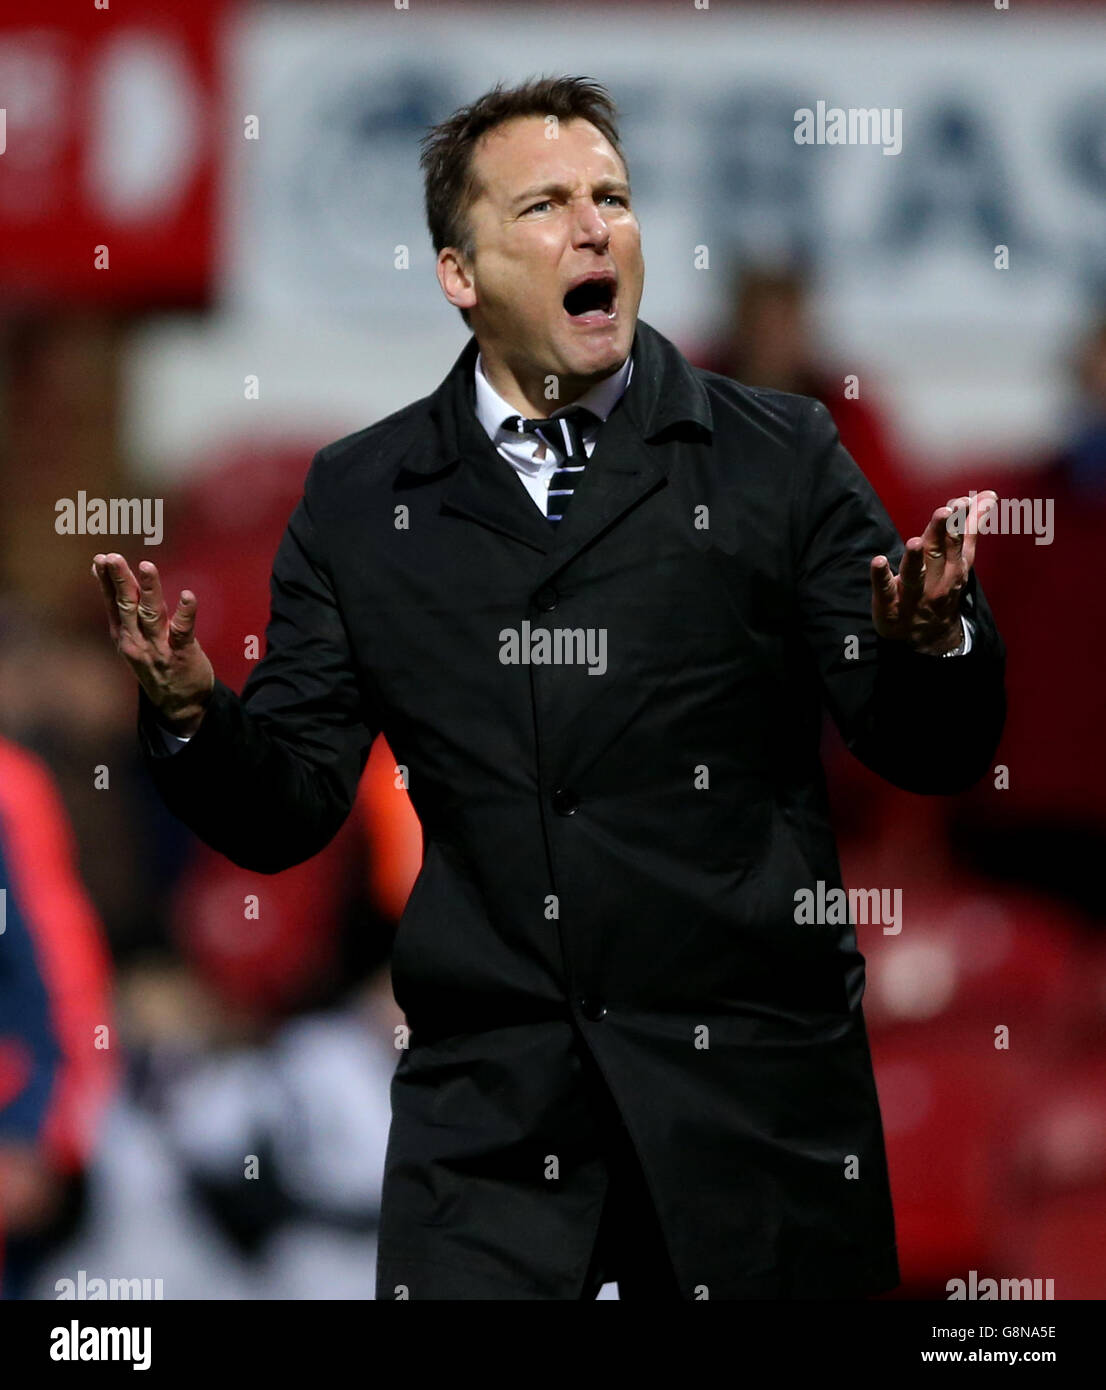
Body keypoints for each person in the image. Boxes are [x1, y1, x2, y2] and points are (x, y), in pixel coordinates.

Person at [92, 75, 1005, 1300]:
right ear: (458, 275)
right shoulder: (365, 504)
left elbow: (924, 748)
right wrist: (196, 713)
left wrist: (928, 640)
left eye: (611, 198)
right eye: (545, 205)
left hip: (751, 1132)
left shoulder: (774, 459)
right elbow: (288, 808)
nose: (593, 229)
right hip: (491, 1152)